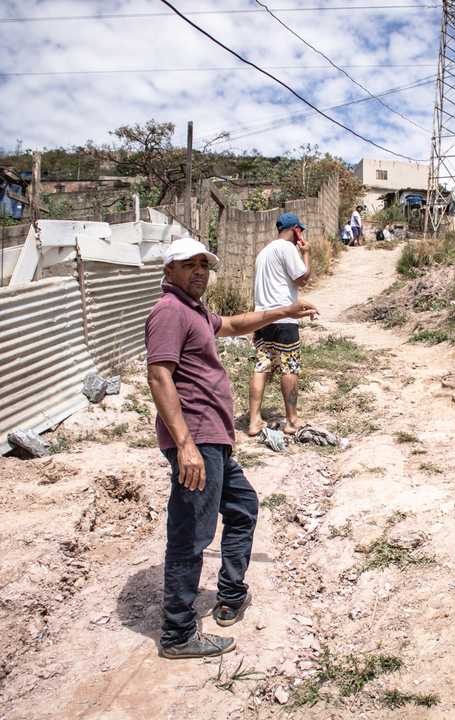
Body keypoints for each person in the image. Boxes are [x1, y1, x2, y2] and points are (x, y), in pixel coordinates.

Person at [145, 236, 318, 660]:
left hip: (213, 440)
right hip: (198, 441)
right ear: (169, 272)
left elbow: (235, 325)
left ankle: (231, 594)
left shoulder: (195, 311)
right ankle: (178, 633)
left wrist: (284, 311)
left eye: (205, 264)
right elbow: (158, 376)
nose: (200, 271)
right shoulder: (169, 310)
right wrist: (185, 446)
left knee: (242, 507)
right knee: (192, 533)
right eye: (189, 265)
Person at [248, 212, 313, 437]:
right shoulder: (287, 249)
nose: (300, 236)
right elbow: (302, 279)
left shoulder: (263, 252)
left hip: (263, 318)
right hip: (284, 318)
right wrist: (306, 255)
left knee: (262, 366)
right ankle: (292, 421)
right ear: (295, 229)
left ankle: (254, 420)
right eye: (300, 232)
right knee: (290, 367)